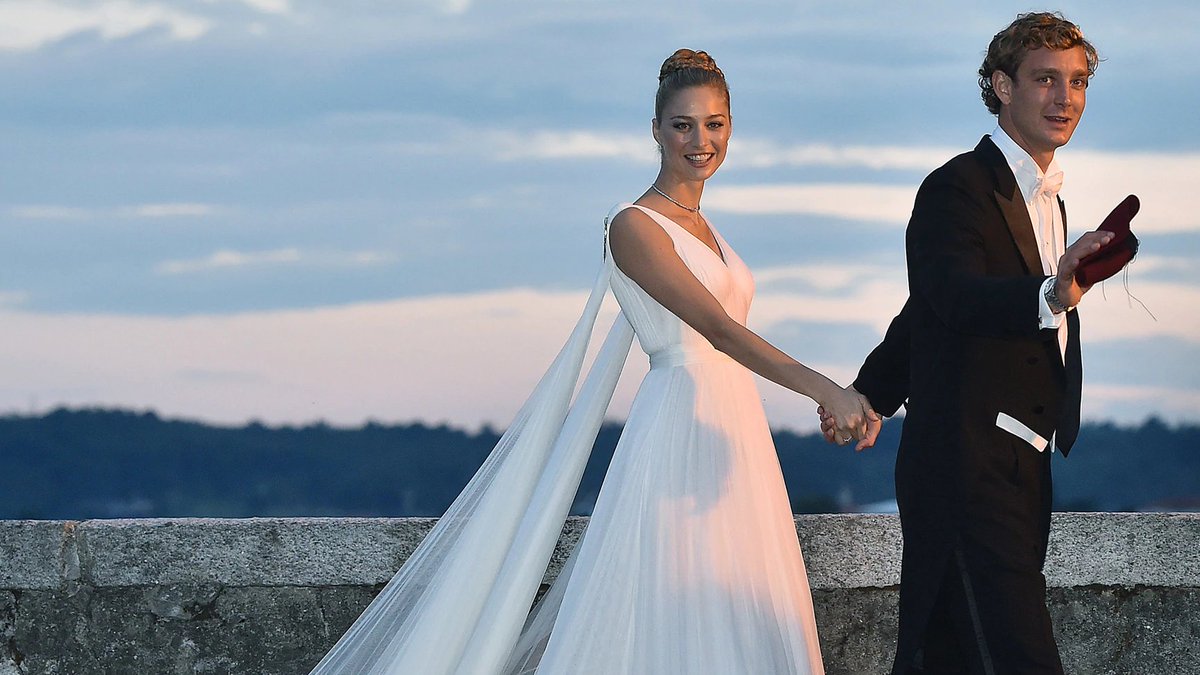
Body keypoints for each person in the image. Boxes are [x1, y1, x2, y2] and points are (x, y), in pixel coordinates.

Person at [307, 49, 877, 674]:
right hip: (677, 427)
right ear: (655, 129)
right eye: (683, 125)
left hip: (735, 433)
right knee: (674, 608)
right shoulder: (633, 226)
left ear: (731, 128)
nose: (700, 141)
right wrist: (827, 390)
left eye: (714, 124)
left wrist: (832, 400)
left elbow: (732, 341)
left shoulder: (708, 228)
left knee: (742, 600)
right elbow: (717, 331)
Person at [820, 12, 1112, 675]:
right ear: (1003, 86)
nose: (1065, 98)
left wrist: (871, 393)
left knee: (954, 655)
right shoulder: (957, 186)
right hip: (967, 465)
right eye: (1045, 79)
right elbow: (951, 293)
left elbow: (923, 311)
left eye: (1077, 81)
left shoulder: (1046, 198)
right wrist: (1051, 292)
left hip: (1023, 465)